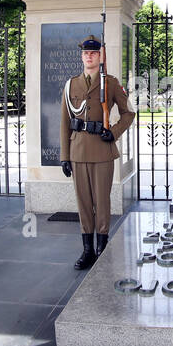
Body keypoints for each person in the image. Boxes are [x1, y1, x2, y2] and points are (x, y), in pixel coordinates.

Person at [60, 35, 135, 269]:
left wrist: (113, 132)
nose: (89, 56)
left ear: (100, 56)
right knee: (83, 203)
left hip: (102, 150)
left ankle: (102, 247)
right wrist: (65, 156)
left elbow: (128, 113)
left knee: (102, 202)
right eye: (85, 53)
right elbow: (64, 121)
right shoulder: (71, 84)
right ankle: (87, 250)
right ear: (82, 56)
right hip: (78, 151)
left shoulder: (110, 83)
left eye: (93, 53)